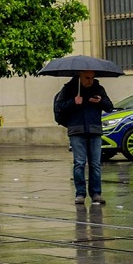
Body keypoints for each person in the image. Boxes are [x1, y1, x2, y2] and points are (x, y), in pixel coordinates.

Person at [54, 71, 113, 205]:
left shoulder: (98, 89)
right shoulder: (69, 89)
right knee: (79, 163)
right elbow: (59, 106)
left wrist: (100, 101)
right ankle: (80, 193)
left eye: (92, 78)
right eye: (87, 78)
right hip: (77, 130)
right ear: (80, 76)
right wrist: (73, 102)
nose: (89, 81)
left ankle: (96, 193)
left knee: (95, 164)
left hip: (94, 130)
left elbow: (110, 107)